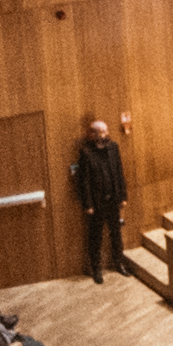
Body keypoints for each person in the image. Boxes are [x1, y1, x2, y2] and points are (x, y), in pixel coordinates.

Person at [69, 116, 129, 280]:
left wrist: (123, 196)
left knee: (116, 233)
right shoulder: (86, 152)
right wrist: (88, 204)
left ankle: (119, 263)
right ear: (92, 134)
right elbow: (84, 181)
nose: (103, 135)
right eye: (100, 132)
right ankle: (96, 269)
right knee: (95, 237)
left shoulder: (113, 147)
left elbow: (118, 172)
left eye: (105, 131)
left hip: (113, 199)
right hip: (97, 203)